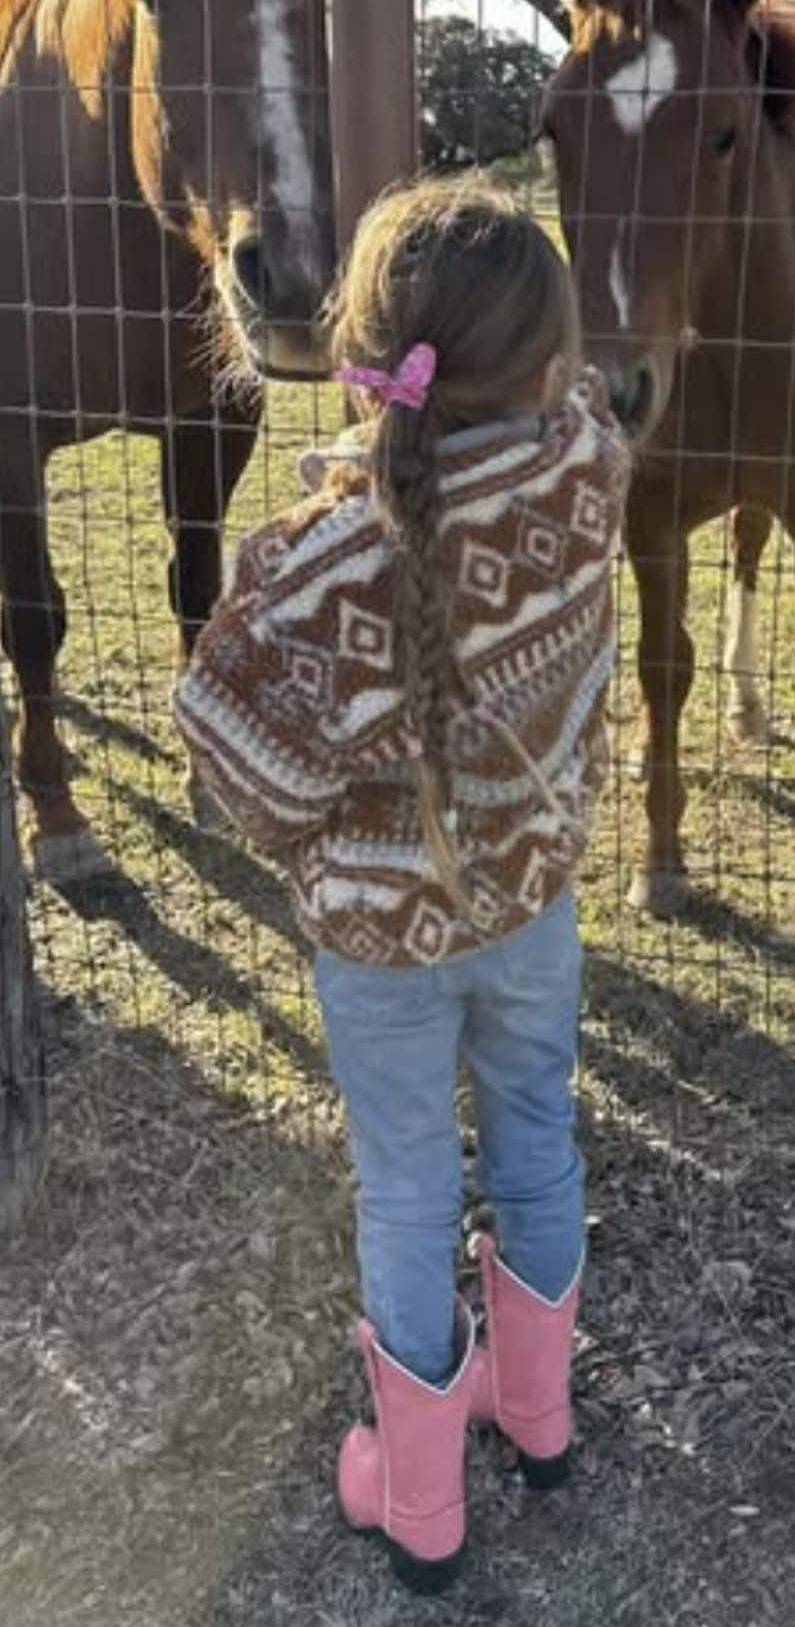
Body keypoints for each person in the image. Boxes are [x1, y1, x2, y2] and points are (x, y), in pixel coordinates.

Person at [173, 177, 633, 1595]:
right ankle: (538, 1417)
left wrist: (327, 822)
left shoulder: (315, 572)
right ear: (545, 363)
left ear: (359, 347)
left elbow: (237, 771)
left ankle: (419, 1498)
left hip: (379, 947)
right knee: (538, 1143)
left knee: (410, 1186)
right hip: (534, 910)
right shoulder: (587, 465)